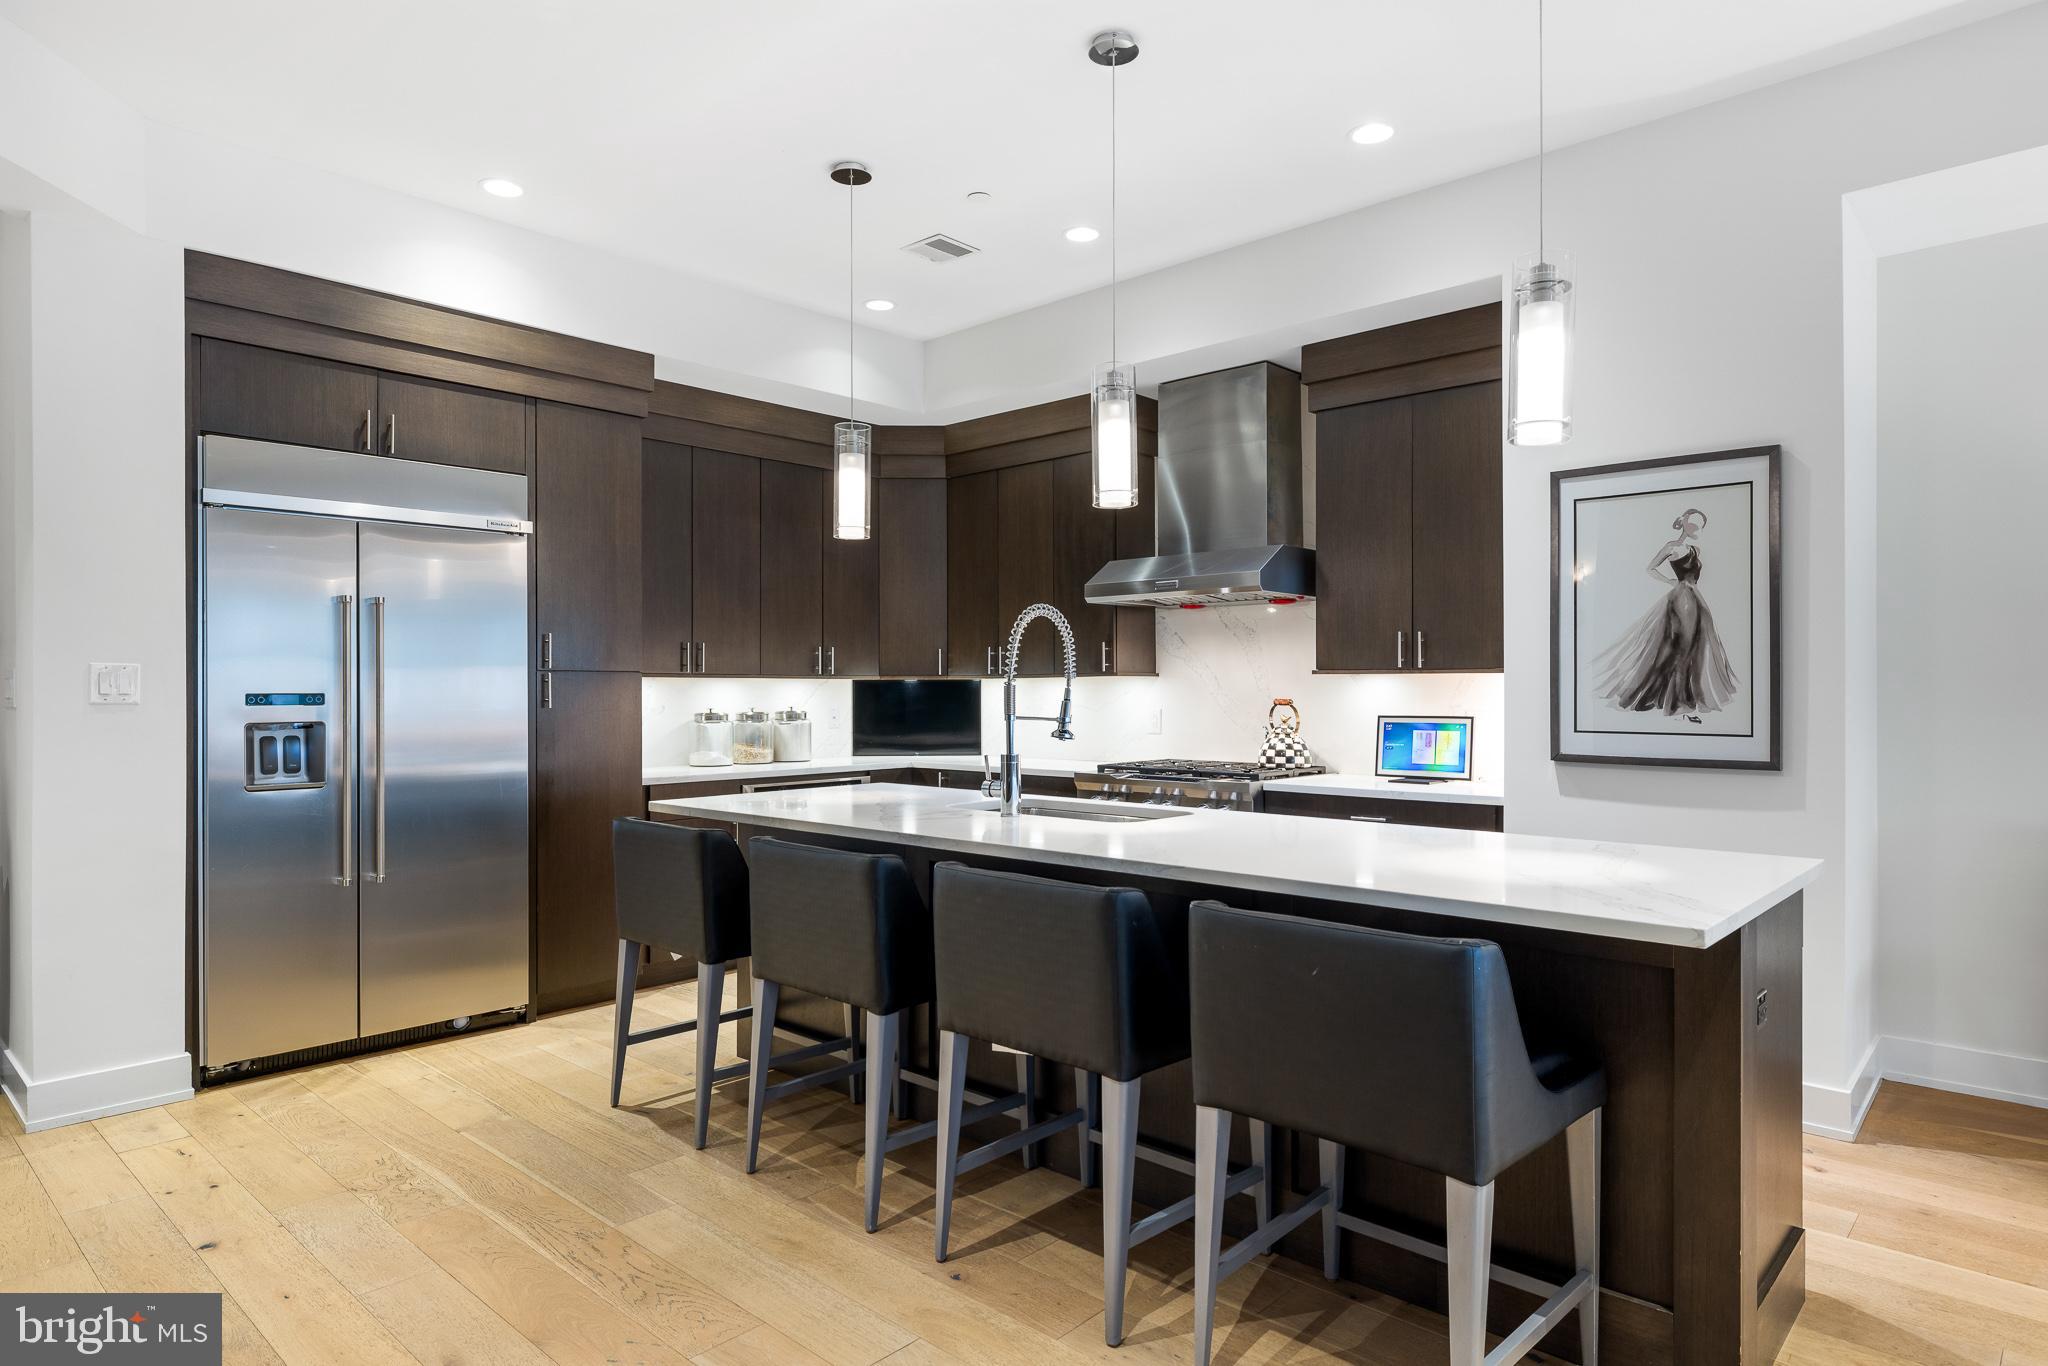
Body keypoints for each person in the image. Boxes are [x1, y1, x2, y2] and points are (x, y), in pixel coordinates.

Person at [1593, 508, 1739, 716]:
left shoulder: (1695, 549)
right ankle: (1675, 700)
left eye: (1701, 525)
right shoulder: (1672, 547)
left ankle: (1682, 697)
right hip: (1682, 600)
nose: (1698, 528)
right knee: (1681, 648)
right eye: (1694, 523)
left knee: (1694, 647)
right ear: (1684, 523)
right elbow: (1650, 567)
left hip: (1696, 599)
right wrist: (1670, 581)